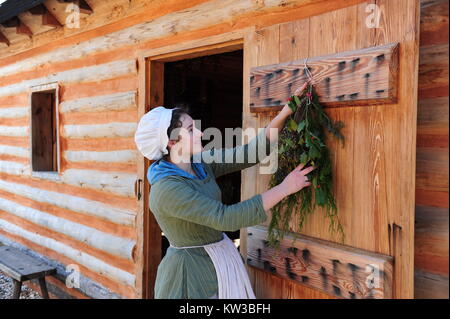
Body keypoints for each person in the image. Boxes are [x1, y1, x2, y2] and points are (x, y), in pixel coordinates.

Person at [134, 82, 315, 299]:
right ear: (172, 142)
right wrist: (285, 188)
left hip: (219, 262)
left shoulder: (199, 163)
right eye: (191, 130)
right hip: (190, 277)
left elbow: (249, 153)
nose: (201, 133)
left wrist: (288, 110)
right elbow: (225, 218)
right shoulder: (167, 189)